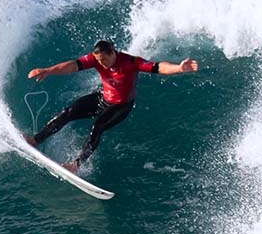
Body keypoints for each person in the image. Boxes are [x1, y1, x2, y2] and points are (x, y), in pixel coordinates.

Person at [25, 39, 199, 174]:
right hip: (103, 99)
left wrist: (178, 68)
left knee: (97, 126)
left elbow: (157, 67)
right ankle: (35, 140)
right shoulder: (95, 59)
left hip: (121, 106)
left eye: (103, 60)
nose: (100, 64)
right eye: (98, 61)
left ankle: (75, 165)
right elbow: (72, 66)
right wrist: (48, 70)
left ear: (112, 52)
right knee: (68, 112)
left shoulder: (130, 62)